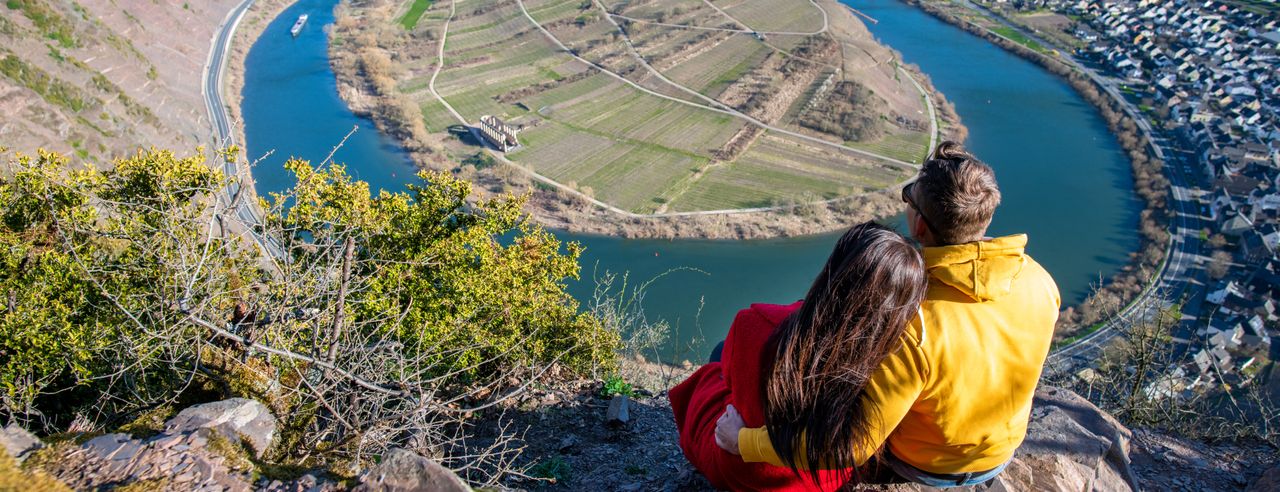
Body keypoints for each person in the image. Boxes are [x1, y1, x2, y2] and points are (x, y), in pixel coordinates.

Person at [715, 141, 1061, 488]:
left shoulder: (913, 320)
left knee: (723, 356)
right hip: (999, 454)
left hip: (927, 467)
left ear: (920, 227)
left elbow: (850, 446)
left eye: (909, 199)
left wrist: (744, 441)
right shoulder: (1039, 280)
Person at [669, 222, 929, 490]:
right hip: (825, 479)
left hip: (743, 468)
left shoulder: (755, 323)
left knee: (713, 370)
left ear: (835, 270)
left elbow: (733, 380)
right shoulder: (893, 360)